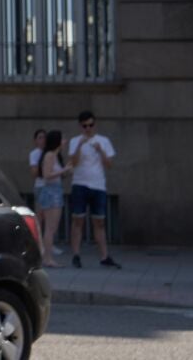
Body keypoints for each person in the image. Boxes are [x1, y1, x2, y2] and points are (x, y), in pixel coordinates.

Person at [67, 110, 120, 269]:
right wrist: (79, 145)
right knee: (78, 220)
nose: (88, 128)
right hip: (80, 184)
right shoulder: (75, 141)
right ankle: (76, 255)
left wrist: (100, 150)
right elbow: (73, 162)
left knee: (99, 222)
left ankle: (104, 256)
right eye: (85, 126)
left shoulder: (103, 141)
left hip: (98, 185)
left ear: (94, 124)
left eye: (91, 125)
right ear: (80, 126)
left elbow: (109, 164)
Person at [36, 130, 68, 267]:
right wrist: (64, 170)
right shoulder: (49, 155)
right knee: (50, 227)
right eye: (62, 139)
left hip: (56, 191)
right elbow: (47, 175)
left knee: (52, 227)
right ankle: (47, 258)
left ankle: (47, 256)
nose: (65, 141)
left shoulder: (55, 155)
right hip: (51, 192)